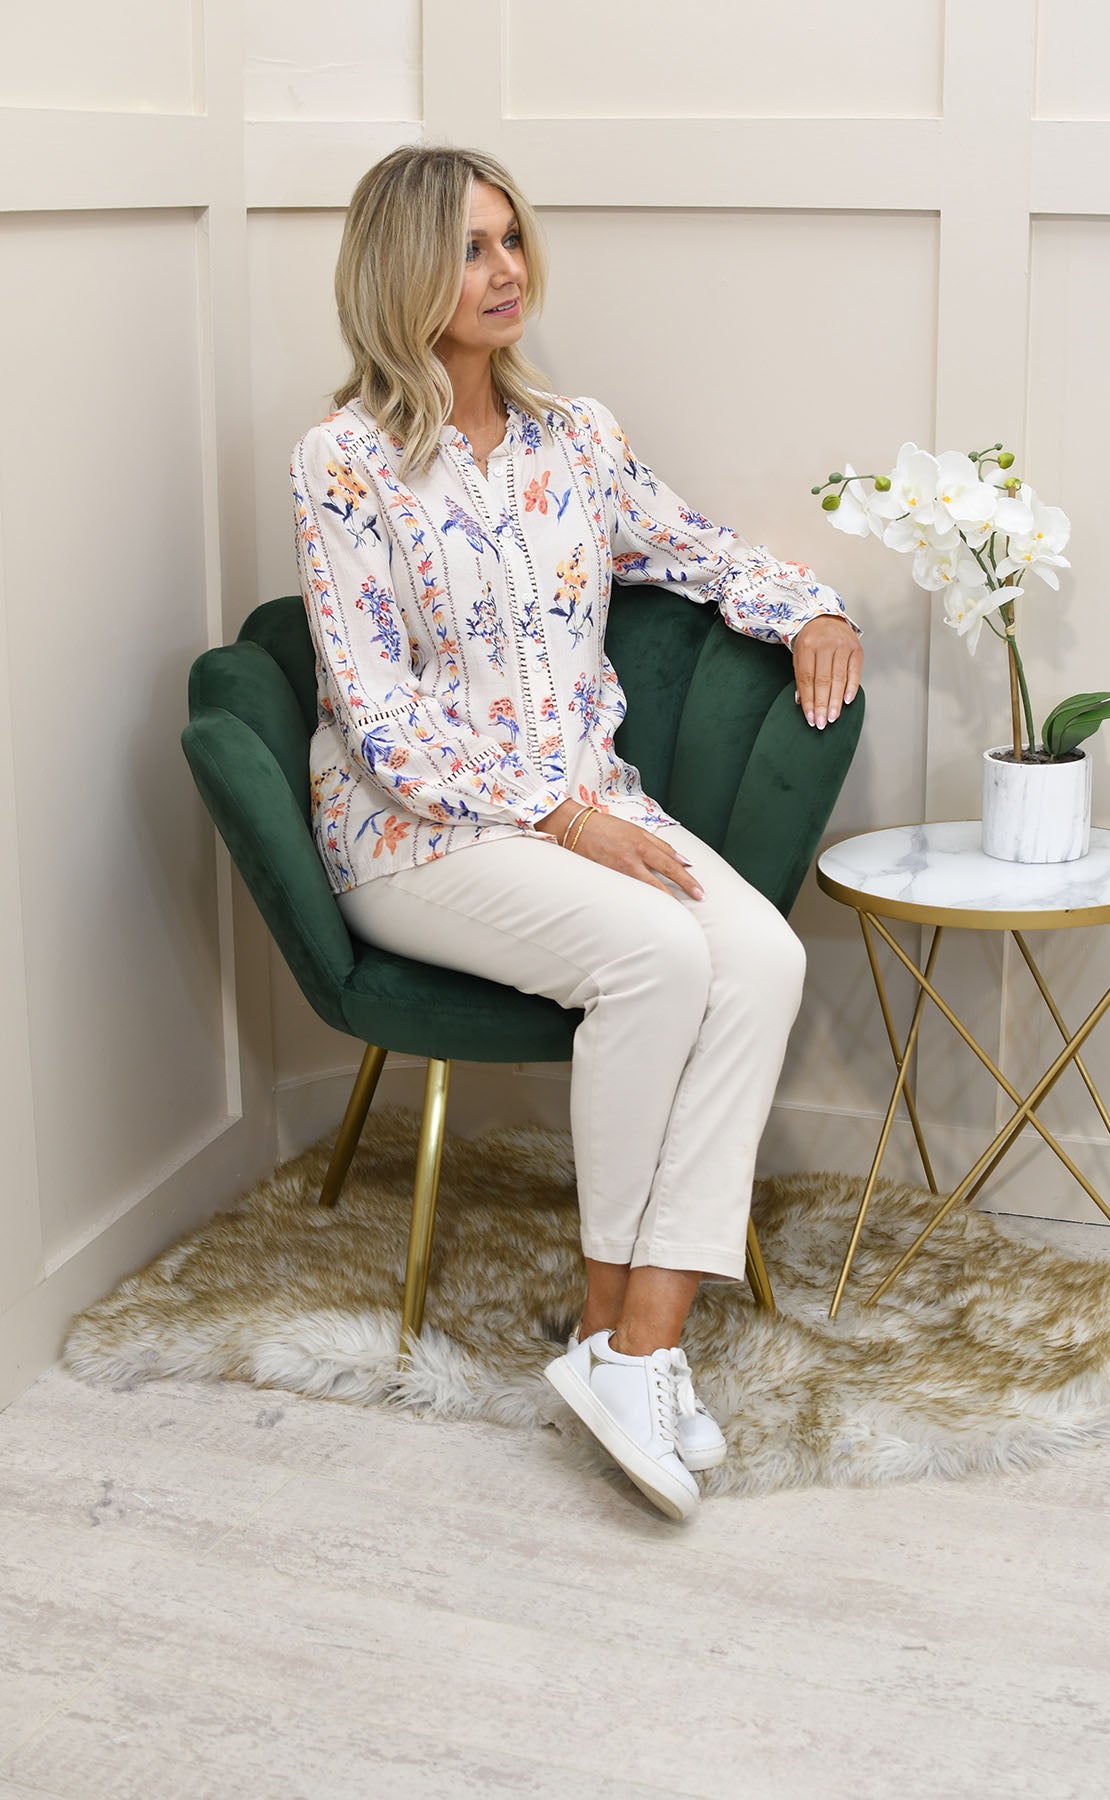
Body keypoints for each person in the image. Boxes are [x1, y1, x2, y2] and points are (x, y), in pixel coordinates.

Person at [291, 144, 863, 1523]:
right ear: (399, 273)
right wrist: (559, 818)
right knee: (656, 960)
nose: (506, 272)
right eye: (468, 249)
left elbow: (694, 548)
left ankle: (633, 1347)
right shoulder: (343, 463)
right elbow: (375, 713)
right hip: (416, 834)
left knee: (762, 961)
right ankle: (621, 1339)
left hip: (587, 803)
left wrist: (810, 606)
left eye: (511, 240)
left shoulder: (577, 440)